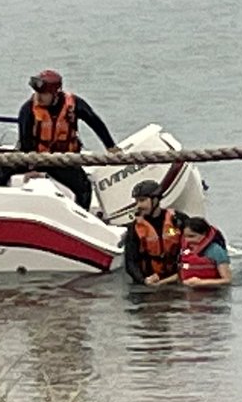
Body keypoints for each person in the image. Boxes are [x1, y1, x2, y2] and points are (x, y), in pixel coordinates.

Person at [16, 69, 121, 210]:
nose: (39, 97)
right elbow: (25, 142)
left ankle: (81, 217)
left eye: (43, 94)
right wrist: (32, 168)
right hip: (36, 157)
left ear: (55, 94)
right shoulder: (28, 109)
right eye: (37, 93)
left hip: (64, 160)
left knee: (84, 188)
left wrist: (110, 146)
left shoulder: (73, 104)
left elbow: (95, 122)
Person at [122, 179, 189, 287]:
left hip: (177, 278)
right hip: (149, 282)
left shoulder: (178, 220)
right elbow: (130, 262)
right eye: (137, 201)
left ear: (156, 200)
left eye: (142, 200)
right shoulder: (134, 228)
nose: (138, 205)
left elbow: (198, 240)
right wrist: (143, 281)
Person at [178, 216, 233, 289]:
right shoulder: (184, 250)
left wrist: (201, 283)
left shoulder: (216, 251)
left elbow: (227, 280)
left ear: (204, 234)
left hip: (214, 292)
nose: (187, 240)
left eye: (192, 236)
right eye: (185, 236)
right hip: (190, 290)